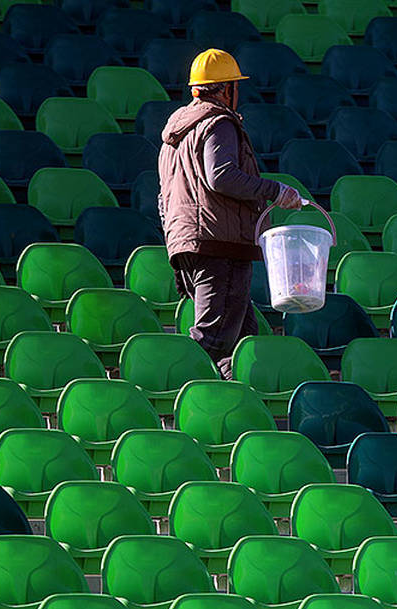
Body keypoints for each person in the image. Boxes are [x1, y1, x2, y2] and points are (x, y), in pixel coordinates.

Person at [157, 48, 302, 378]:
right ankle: (175, 392)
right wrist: (274, 191)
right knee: (213, 340)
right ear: (225, 89)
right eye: (235, 86)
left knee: (242, 343)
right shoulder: (218, 123)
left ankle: (236, 414)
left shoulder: (174, 136)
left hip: (189, 243)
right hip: (219, 246)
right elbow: (220, 175)